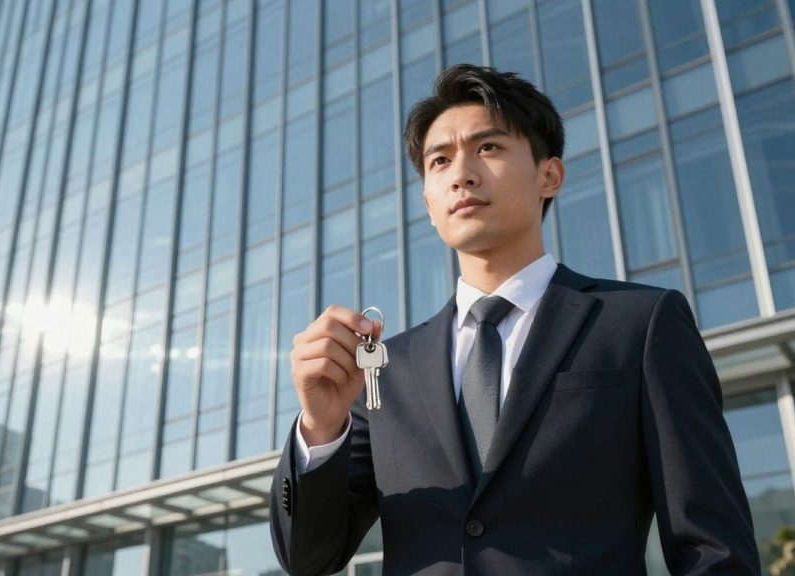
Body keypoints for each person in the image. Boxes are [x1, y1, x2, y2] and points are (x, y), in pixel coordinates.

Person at [269, 64, 760, 575]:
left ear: (550, 175)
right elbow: (309, 559)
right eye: (440, 161)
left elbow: (713, 547)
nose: (461, 172)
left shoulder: (640, 323)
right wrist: (321, 427)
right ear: (429, 204)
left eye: (488, 148)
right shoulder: (385, 369)